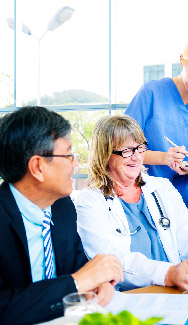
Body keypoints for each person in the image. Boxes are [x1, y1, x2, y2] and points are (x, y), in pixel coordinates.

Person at [76, 115, 188, 294]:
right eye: (126, 151)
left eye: (140, 148)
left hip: (175, 290)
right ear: (104, 154)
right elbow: (113, 262)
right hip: (127, 297)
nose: (137, 157)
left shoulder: (161, 188)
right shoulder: (89, 202)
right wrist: (168, 274)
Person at [0, 106, 123, 325]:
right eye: (69, 154)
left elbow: (78, 266)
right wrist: (79, 281)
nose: (76, 164)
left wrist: (98, 282)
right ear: (37, 166)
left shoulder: (62, 207)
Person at [125, 34, 188, 205]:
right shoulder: (151, 93)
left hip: (178, 202)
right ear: (182, 61)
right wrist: (165, 158)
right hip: (138, 196)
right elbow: (122, 150)